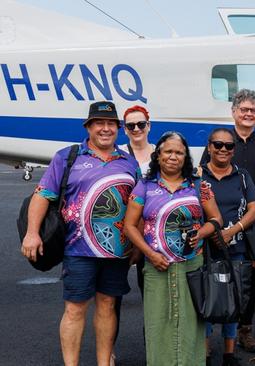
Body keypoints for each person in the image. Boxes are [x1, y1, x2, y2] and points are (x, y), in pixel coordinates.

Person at [20, 101, 139, 366]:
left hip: (117, 251)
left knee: (108, 306)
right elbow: (42, 195)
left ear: (118, 128)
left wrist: (138, 246)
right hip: (77, 250)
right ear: (89, 127)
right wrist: (32, 233)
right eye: (100, 123)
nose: (106, 129)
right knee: (75, 309)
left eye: (111, 124)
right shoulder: (68, 156)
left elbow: (138, 206)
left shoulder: (129, 163)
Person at [123, 131, 223, 366]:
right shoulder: (144, 187)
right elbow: (129, 226)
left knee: (191, 325)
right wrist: (150, 255)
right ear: (158, 155)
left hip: (192, 267)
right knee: (158, 324)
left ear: (185, 157)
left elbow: (217, 219)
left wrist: (200, 233)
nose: (173, 157)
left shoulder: (199, 186)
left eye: (179, 152)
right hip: (156, 267)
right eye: (168, 151)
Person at [200, 89, 255, 352]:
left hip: (251, 222)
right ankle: (208, 336)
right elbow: (202, 179)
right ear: (234, 112)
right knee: (210, 279)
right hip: (214, 224)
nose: (248, 114)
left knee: (248, 281)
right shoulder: (221, 139)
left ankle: (245, 330)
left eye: (253, 110)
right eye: (243, 109)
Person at [200, 128, 255, 366]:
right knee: (204, 298)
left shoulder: (242, 175)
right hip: (204, 248)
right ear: (209, 146)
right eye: (218, 145)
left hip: (236, 248)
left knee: (232, 300)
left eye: (228, 146)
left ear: (234, 149)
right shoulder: (198, 175)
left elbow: (254, 209)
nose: (223, 149)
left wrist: (231, 232)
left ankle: (229, 353)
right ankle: (204, 351)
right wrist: (211, 232)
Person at [113, 105, 155, 364]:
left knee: (152, 297)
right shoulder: (117, 156)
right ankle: (109, 349)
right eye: (131, 126)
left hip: (151, 235)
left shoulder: (160, 155)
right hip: (122, 234)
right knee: (111, 298)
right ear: (124, 129)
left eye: (141, 124)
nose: (137, 129)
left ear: (149, 125)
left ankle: (153, 348)